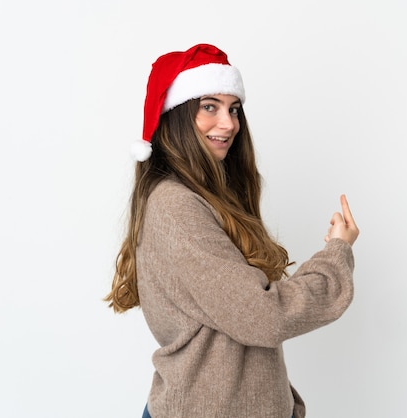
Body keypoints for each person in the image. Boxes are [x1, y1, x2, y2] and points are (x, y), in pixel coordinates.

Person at [105, 43, 359, 418]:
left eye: (234, 109)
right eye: (209, 106)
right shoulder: (176, 206)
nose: (229, 123)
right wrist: (335, 255)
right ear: (177, 115)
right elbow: (263, 315)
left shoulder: (201, 199)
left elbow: (232, 326)